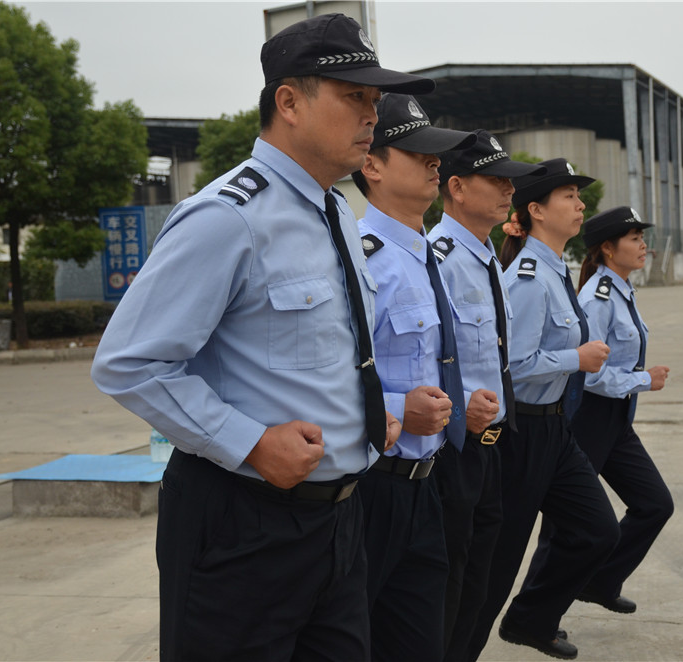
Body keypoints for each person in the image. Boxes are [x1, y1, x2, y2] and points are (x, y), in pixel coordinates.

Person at [91, 13, 434, 661]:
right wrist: (249, 442)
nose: (372, 115)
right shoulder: (228, 217)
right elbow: (129, 363)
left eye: (374, 100)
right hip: (244, 524)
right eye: (354, 96)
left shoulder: (335, 211)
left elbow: (326, 354)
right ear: (289, 103)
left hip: (339, 521)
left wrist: (368, 414)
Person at [466, 159, 621, 660]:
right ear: (536, 210)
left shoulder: (555, 270)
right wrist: (576, 359)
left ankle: (530, 618)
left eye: (579, 196)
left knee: (597, 530)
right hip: (522, 435)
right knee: (497, 565)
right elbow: (513, 364)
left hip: (556, 429)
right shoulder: (529, 278)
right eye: (569, 196)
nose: (580, 205)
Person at [350, 93, 475, 661]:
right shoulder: (365, 259)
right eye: (416, 152)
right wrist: (400, 409)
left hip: (428, 483)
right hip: (372, 488)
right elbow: (333, 374)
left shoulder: (426, 258)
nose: (434, 162)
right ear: (371, 165)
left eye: (435, 154)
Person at [426, 130, 544, 662]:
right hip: (454, 448)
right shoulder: (440, 257)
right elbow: (423, 355)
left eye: (509, 182)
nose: (508, 191)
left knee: (479, 585)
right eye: (496, 180)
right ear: (456, 188)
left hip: (492, 444)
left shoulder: (487, 257)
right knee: (451, 584)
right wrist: (462, 402)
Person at [570, 206, 674, 616]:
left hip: (616, 420)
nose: (643, 244)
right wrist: (643, 379)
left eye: (642, 237)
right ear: (608, 249)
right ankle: (537, 613)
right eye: (634, 238)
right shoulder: (597, 297)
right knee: (565, 526)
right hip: (590, 418)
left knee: (655, 504)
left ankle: (600, 581)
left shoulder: (622, 290)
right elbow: (590, 375)